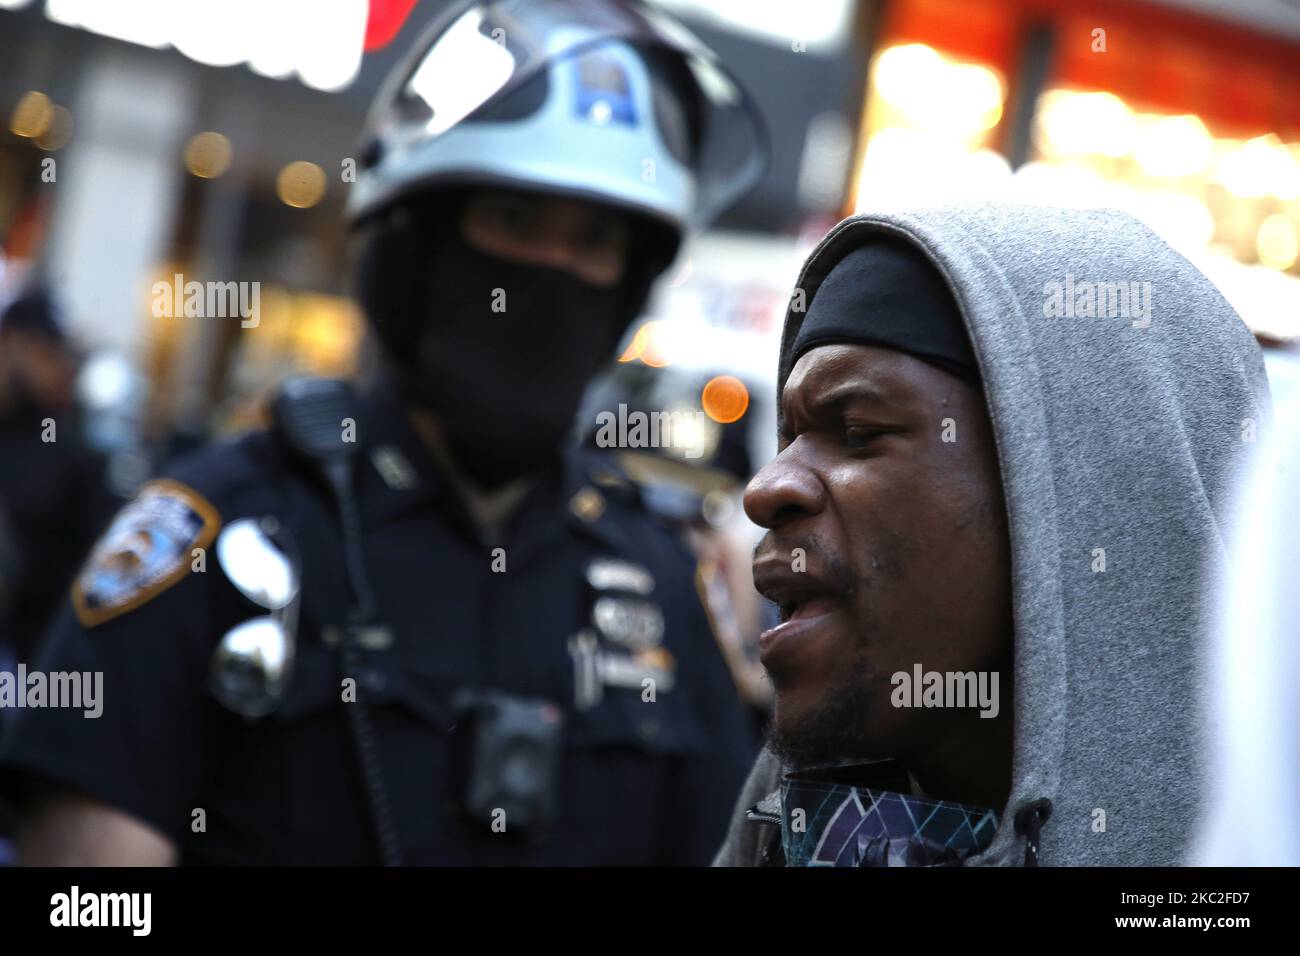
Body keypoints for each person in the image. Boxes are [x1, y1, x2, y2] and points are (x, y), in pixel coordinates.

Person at [0, 0, 764, 865]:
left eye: (594, 240)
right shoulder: (214, 538)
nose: (552, 276)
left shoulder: (662, 584)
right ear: (414, 251)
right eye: (513, 221)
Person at [712, 202, 1268, 867]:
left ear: (1074, 490)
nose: (767, 488)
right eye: (789, 437)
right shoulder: (787, 832)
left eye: (857, 433)